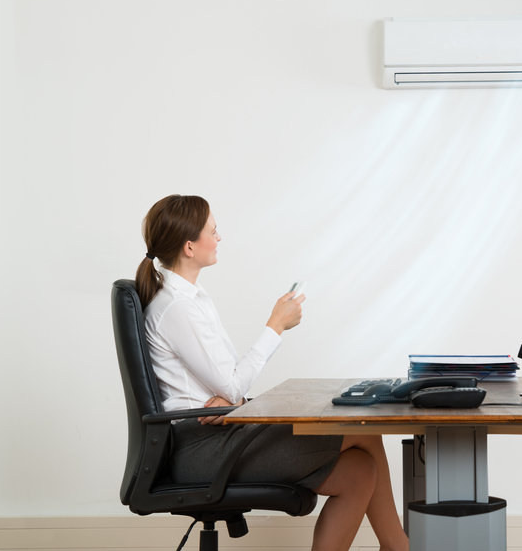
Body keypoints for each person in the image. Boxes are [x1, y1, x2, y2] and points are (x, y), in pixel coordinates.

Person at [135, 194, 408, 551]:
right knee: (363, 431)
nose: (219, 238)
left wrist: (231, 401)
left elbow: (227, 384)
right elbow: (232, 384)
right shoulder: (177, 308)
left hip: (215, 432)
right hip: (202, 451)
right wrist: (274, 326)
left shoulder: (191, 300)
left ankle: (398, 546)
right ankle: (400, 548)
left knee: (359, 472)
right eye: (213, 232)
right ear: (189, 246)